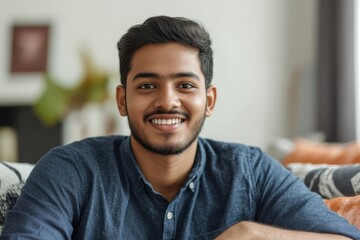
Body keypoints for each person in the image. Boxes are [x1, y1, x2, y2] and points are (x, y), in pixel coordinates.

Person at [1, 16, 360, 240]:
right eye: (147, 86)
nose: (167, 101)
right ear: (122, 100)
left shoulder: (250, 172)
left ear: (210, 100)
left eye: (185, 85)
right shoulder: (71, 171)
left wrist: (251, 235)